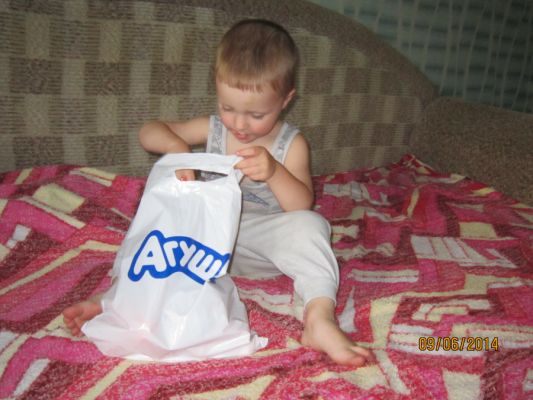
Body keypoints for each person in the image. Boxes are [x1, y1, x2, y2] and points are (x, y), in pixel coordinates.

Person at [63, 19, 373, 367]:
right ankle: (118, 300)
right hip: (201, 242)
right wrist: (177, 148)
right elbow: (149, 132)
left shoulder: (292, 144)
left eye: (256, 114)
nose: (239, 124)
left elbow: (301, 204)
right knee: (158, 229)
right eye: (228, 108)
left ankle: (319, 318)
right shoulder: (212, 129)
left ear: (286, 99)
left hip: (256, 245)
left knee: (312, 226)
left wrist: (275, 171)